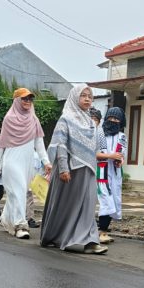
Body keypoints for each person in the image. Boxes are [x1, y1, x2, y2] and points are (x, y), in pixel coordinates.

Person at [40, 86, 107, 254]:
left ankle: (90, 241)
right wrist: (63, 168)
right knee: (66, 205)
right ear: (74, 97)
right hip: (70, 170)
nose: (87, 99)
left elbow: (95, 149)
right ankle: (56, 235)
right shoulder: (66, 119)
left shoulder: (91, 122)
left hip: (88, 170)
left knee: (88, 204)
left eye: (89, 96)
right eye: (83, 96)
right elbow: (60, 145)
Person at [0, 88, 51, 239]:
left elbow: (39, 143)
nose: (28, 102)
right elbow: (2, 144)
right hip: (11, 161)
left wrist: (46, 162)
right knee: (18, 190)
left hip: (27, 163)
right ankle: (20, 225)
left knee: (16, 193)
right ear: (17, 100)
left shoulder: (34, 120)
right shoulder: (9, 119)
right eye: (24, 99)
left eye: (30, 99)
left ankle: (5, 219)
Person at [96, 107, 127, 244]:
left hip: (114, 173)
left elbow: (121, 153)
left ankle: (102, 231)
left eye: (116, 119)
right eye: (111, 118)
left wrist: (119, 161)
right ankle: (99, 231)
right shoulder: (100, 133)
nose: (113, 121)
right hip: (101, 172)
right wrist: (110, 155)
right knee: (106, 201)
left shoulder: (122, 136)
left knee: (113, 200)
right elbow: (95, 153)